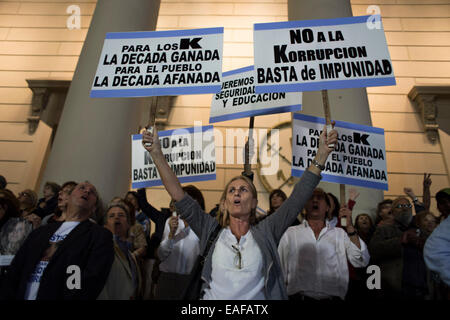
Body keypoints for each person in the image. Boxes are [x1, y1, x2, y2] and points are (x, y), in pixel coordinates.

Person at [141, 123, 337, 299]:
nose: (237, 193)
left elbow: (297, 199)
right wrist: (156, 153)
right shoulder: (210, 230)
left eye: (243, 190)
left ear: (253, 202)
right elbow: (178, 194)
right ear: (224, 203)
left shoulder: (267, 231)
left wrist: (322, 154)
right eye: (232, 190)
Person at [0, 181, 114, 300]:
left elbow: (90, 280)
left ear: (94, 207)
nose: (87, 191)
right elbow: (16, 270)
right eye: (82, 188)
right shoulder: (40, 232)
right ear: (68, 198)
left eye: (92, 192)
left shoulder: (98, 236)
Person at [278, 189, 370, 300]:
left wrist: (350, 226)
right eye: (311, 197)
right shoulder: (290, 234)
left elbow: (360, 260)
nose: (315, 200)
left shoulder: (339, 233)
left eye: (320, 197)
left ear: (327, 207)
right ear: (305, 205)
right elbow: (279, 270)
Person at [155, 185, 205, 300]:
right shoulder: (171, 222)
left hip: (189, 281)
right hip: (167, 279)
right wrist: (171, 234)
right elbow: (161, 254)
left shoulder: (202, 225)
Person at [369, 196, 415, 299]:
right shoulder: (383, 230)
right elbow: (374, 250)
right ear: (393, 212)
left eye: (407, 205)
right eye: (400, 206)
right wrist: (399, 241)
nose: (404, 208)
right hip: (393, 286)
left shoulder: (418, 228)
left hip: (418, 286)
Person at [98, 202, 142, 300]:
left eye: (121, 215)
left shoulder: (131, 255)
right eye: (112, 216)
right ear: (105, 225)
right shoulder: (101, 248)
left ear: (128, 224)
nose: (116, 218)